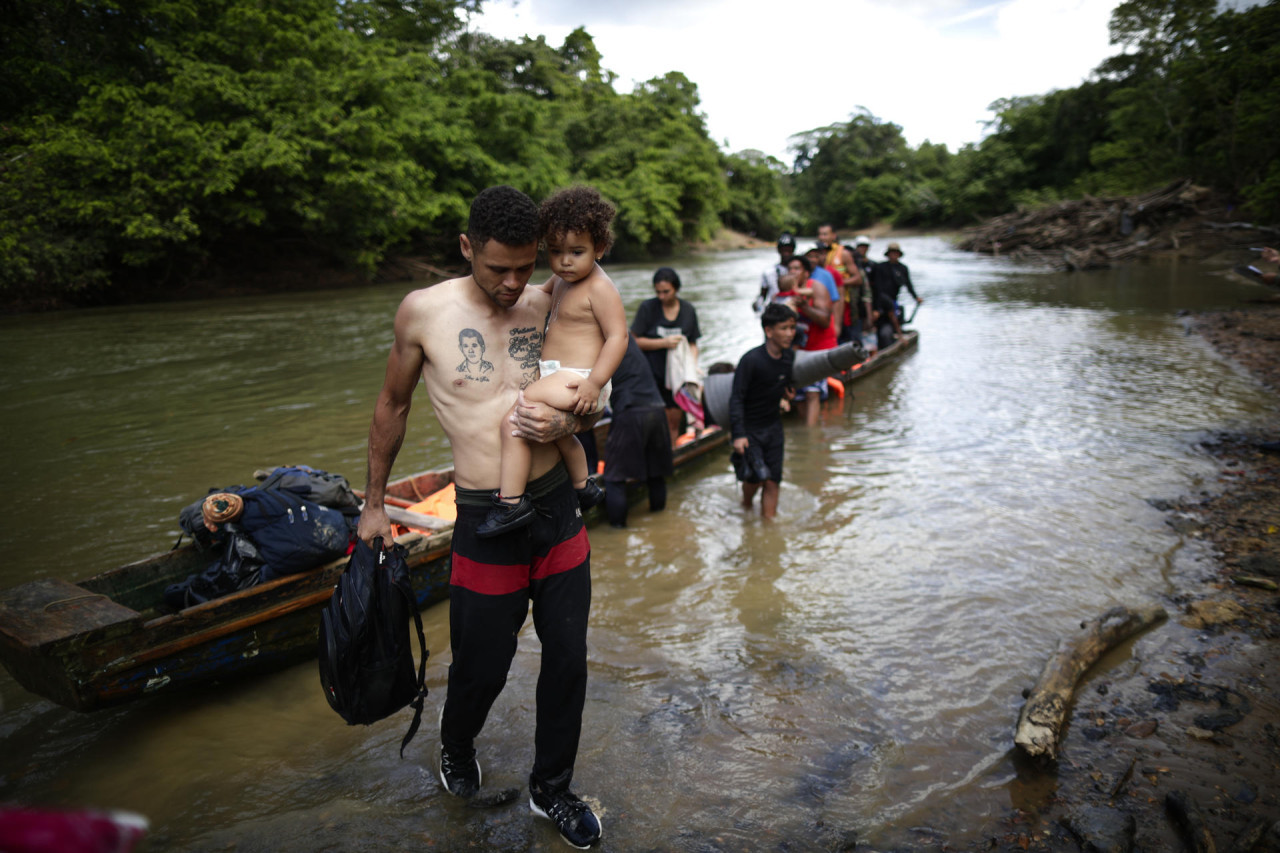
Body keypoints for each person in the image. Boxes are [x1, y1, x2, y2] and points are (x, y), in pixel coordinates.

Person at [356, 185, 604, 849]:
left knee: (568, 658)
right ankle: (456, 743)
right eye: (498, 267)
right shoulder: (423, 312)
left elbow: (597, 390)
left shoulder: (555, 297)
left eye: (526, 266)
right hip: (485, 518)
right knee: (482, 665)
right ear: (467, 247)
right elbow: (393, 406)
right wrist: (376, 504)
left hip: (554, 504)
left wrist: (573, 416)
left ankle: (552, 787)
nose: (514, 281)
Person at [478, 186, 628, 538]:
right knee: (556, 437)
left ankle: (511, 504)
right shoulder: (562, 278)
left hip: (580, 378)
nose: (564, 261)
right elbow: (538, 295)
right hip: (562, 375)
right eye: (556, 251)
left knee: (516, 418)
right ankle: (583, 484)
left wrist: (594, 383)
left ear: (600, 248)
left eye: (577, 252)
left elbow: (618, 337)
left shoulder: (600, 288)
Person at [730, 302, 797, 519]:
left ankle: (769, 526)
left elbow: (784, 384)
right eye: (784, 328)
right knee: (756, 478)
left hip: (774, 427)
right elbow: (737, 398)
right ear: (768, 331)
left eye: (792, 328)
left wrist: (787, 396)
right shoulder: (751, 361)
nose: (789, 334)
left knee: (773, 480)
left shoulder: (789, 358)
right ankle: (746, 504)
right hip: (751, 429)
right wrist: (739, 434)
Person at [601, 333, 674, 528]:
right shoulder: (626, 336)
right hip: (657, 408)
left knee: (614, 477)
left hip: (630, 410)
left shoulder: (597, 338)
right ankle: (660, 522)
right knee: (655, 473)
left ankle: (617, 532)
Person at [632, 267, 702, 444]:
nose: (662, 296)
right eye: (658, 292)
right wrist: (663, 343)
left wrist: (692, 365)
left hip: (677, 377)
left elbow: (693, 343)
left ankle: (672, 453)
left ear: (676, 289)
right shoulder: (648, 308)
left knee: (673, 420)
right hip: (651, 376)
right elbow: (634, 341)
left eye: (666, 292)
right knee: (655, 421)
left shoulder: (688, 310)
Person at [788, 255, 838, 426]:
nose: (793, 273)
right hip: (798, 350)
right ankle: (807, 431)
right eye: (790, 269)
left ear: (806, 273)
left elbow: (824, 320)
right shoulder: (786, 291)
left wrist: (805, 307)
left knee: (812, 392)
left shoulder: (816, 288)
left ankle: (811, 436)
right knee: (799, 395)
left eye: (797, 269)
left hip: (819, 348)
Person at [869, 241, 922, 348]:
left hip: (892, 300)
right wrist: (877, 307)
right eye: (891, 253)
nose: (893, 255)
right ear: (888, 254)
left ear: (899, 254)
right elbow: (877, 286)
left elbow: (908, 284)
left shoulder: (903, 268)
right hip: (880, 299)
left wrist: (916, 297)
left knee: (895, 318)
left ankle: (897, 333)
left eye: (895, 253)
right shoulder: (880, 267)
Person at [817, 224, 865, 344]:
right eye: (820, 234)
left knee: (847, 334)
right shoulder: (814, 254)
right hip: (823, 302)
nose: (822, 237)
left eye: (825, 234)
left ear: (833, 236)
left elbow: (858, 279)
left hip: (844, 302)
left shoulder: (843, 253)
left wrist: (836, 283)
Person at [754, 232, 796, 314]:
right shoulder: (769, 272)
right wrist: (757, 304)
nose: (786, 253)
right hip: (774, 310)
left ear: (793, 250)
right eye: (783, 249)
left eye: (789, 249)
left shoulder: (799, 271)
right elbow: (763, 295)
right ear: (778, 250)